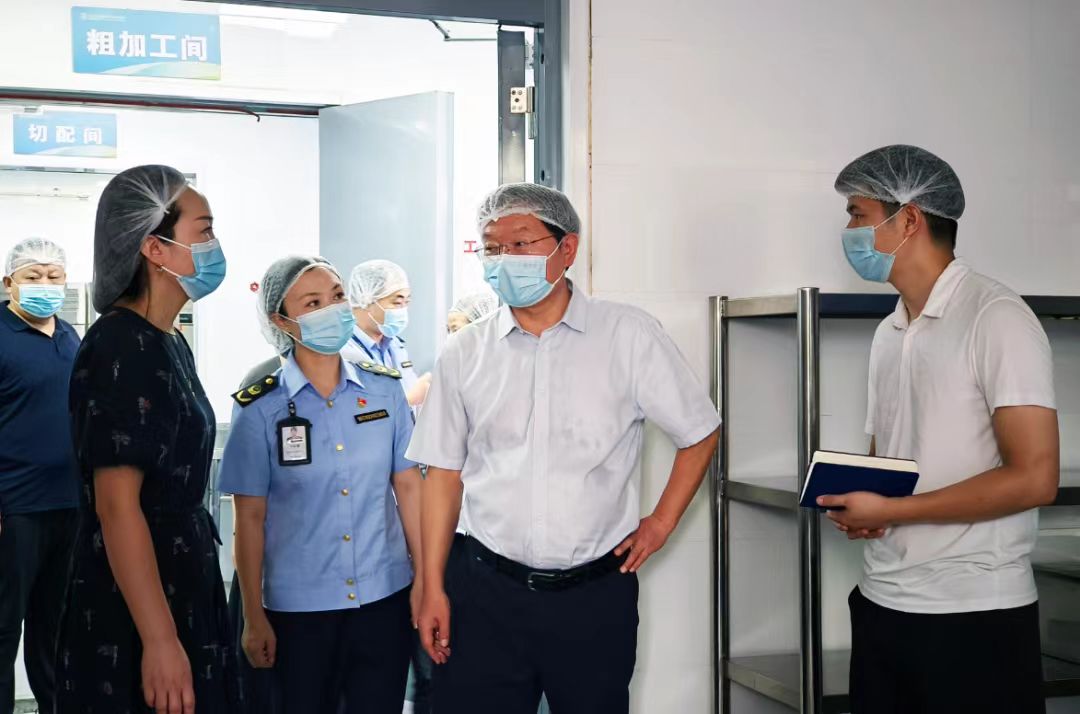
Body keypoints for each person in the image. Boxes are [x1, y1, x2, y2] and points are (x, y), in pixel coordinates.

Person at [409, 183, 721, 714]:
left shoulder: (628, 336)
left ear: (567, 248)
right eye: (492, 247)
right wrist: (431, 584)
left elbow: (699, 430)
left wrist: (661, 523)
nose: (504, 259)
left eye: (520, 243)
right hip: (484, 591)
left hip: (593, 597)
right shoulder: (465, 351)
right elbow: (443, 474)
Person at [823, 145, 1059, 714]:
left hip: (973, 616)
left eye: (857, 214)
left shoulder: (996, 318)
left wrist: (893, 510)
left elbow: (1035, 478)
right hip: (882, 603)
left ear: (908, 219)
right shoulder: (889, 332)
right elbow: (892, 458)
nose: (849, 231)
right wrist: (867, 508)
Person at [56, 165, 237, 714]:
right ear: (155, 249)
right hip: (133, 603)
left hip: (182, 577)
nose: (214, 245)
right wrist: (159, 639)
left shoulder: (168, 341)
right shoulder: (118, 345)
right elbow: (117, 507)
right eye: (204, 231)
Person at [219, 255, 423, 714]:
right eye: (312, 303)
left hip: (383, 598)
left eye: (337, 296)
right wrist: (253, 615)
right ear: (281, 321)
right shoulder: (260, 408)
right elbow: (249, 519)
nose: (332, 310)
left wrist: (426, 581)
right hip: (298, 612)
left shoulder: (384, 391)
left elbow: (409, 488)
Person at [0, 239, 80, 714]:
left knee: (57, 627)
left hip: (70, 507)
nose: (45, 285)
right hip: (15, 509)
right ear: (9, 282)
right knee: (3, 627)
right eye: (33, 276)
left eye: (54, 276)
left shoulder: (71, 337)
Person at [340, 260, 431, 407]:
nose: (403, 310)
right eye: (397, 303)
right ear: (366, 300)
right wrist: (408, 401)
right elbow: (353, 411)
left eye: (407, 302)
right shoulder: (342, 353)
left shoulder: (395, 345)